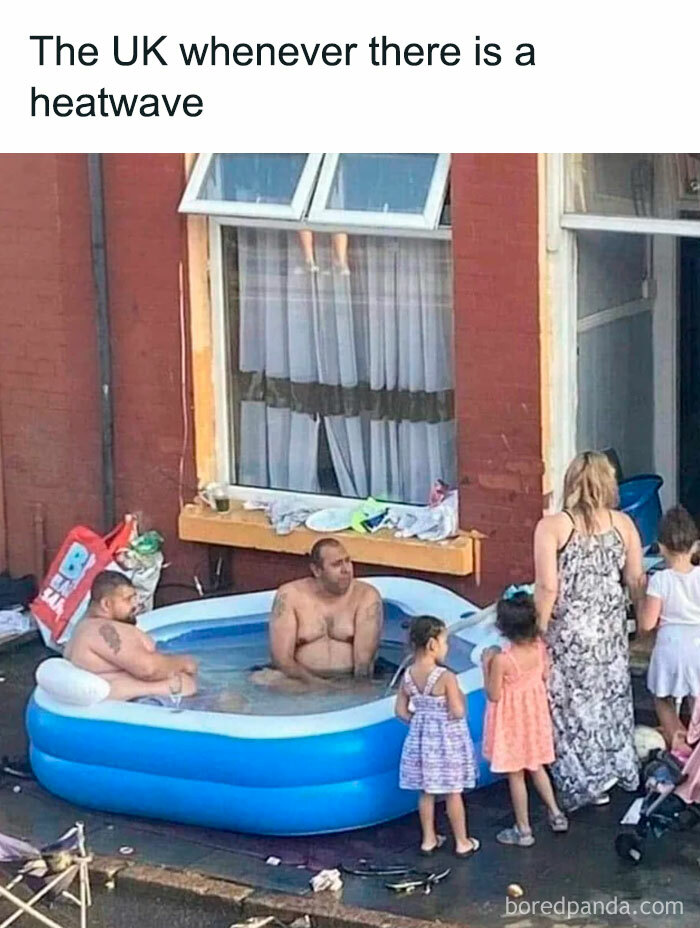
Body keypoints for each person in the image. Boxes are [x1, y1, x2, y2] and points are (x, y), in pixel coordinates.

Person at [534, 451, 645, 811]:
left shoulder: (552, 527)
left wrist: (537, 630)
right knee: (609, 699)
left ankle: (583, 781)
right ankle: (616, 770)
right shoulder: (623, 525)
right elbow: (635, 579)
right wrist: (642, 623)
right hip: (609, 630)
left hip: (570, 632)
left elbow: (548, 587)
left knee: (570, 708)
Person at [481, 590, 568, 847]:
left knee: (516, 775)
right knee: (538, 766)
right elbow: (544, 676)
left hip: (511, 722)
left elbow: (494, 694)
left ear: (503, 628)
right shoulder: (539, 648)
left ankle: (524, 829)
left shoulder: (502, 659)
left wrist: (486, 665)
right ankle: (556, 813)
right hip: (534, 717)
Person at [395, 615, 478, 858]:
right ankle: (462, 842)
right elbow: (457, 711)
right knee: (453, 791)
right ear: (432, 644)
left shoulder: (408, 675)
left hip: (421, 742)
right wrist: (459, 700)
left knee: (426, 791)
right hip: (447, 743)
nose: (447, 647)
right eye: (445, 642)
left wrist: (421, 722)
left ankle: (428, 840)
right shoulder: (446, 677)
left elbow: (400, 710)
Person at [255, 538, 383, 689]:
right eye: (336, 564)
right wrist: (318, 685)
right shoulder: (290, 596)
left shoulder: (366, 596)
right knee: (260, 679)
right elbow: (282, 659)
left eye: (347, 561)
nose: (346, 570)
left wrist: (351, 692)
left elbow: (364, 663)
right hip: (301, 679)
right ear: (316, 570)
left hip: (348, 680)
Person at [65, 570, 198, 701]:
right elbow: (147, 669)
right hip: (147, 707)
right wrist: (184, 663)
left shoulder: (83, 629)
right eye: (128, 599)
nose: (135, 605)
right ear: (107, 604)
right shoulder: (103, 629)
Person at [638, 505, 700, 745]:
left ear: (661, 546)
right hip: (698, 647)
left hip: (670, 649)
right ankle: (696, 747)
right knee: (697, 701)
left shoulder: (660, 580)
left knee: (662, 697)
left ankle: (676, 741)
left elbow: (646, 623)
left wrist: (642, 595)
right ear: (695, 544)